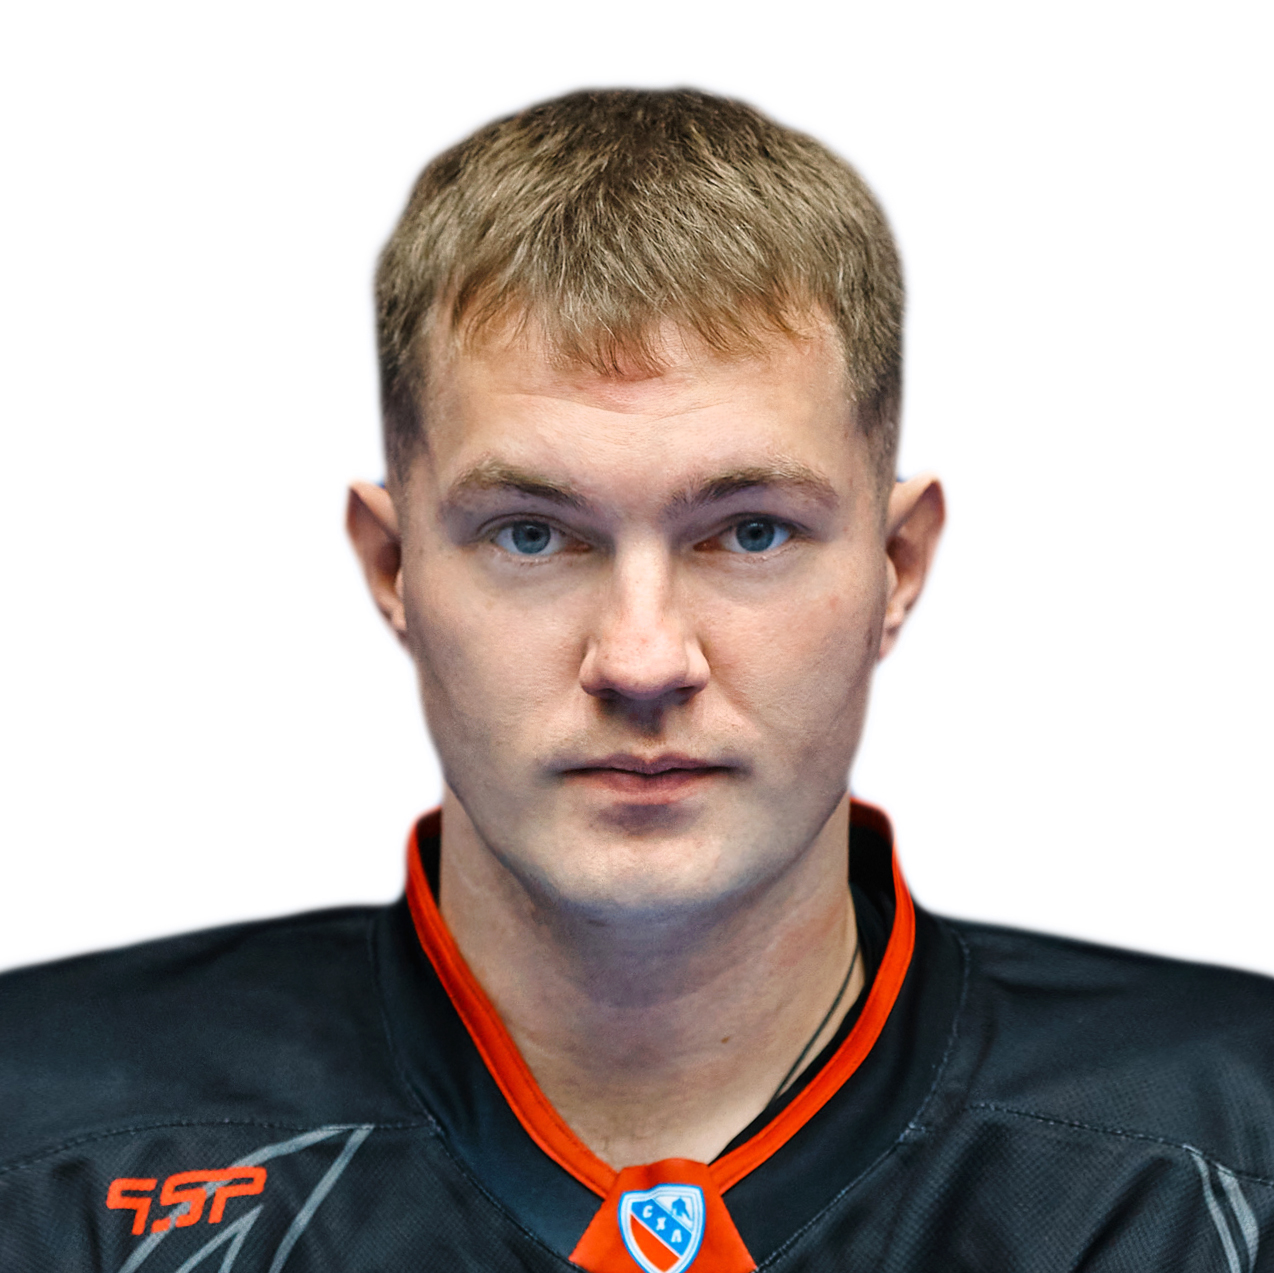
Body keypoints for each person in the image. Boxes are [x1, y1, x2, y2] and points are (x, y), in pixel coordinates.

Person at [1, 88, 1271, 1273]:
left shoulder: (1224, 1156)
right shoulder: (44, 1148)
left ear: (895, 565)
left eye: (751, 532)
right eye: (531, 535)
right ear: (392, 568)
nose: (644, 660)